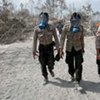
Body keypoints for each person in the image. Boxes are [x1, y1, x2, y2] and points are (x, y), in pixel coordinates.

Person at [32, 12, 60, 83]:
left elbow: (56, 38)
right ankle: (45, 77)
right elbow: (34, 40)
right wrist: (34, 50)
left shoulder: (52, 27)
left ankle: (50, 69)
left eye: (44, 18)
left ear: (47, 19)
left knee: (51, 62)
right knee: (42, 63)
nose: (43, 19)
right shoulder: (36, 29)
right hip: (42, 47)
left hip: (50, 47)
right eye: (41, 18)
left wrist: (58, 47)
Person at [60, 12, 84, 85]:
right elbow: (62, 38)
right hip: (69, 48)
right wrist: (61, 49)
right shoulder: (66, 27)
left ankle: (78, 80)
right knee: (69, 63)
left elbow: (82, 39)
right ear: (71, 20)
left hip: (78, 48)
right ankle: (71, 75)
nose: (75, 22)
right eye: (74, 21)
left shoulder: (81, 27)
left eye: (77, 21)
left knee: (79, 64)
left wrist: (83, 48)